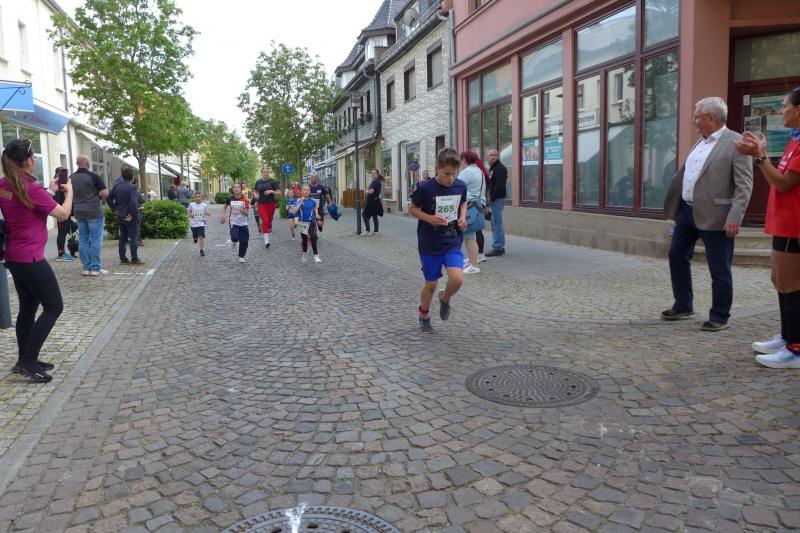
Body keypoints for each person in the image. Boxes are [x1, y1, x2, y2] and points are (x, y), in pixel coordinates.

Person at [662, 96, 753, 331]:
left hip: (717, 217)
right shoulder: (700, 142)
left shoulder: (737, 142)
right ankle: (683, 304)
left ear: (710, 118)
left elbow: (744, 185)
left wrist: (735, 217)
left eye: (696, 117)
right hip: (687, 212)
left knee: (719, 268)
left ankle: (719, 315)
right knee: (676, 255)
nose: (693, 121)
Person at [735, 87, 800, 368]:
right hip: (784, 223)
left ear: (799, 110)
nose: (781, 111)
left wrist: (760, 157)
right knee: (779, 280)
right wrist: (760, 153)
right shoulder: (795, 139)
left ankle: (795, 349)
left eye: (785, 106)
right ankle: (787, 338)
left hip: (794, 225)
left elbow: (783, 183)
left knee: (790, 284)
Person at [0, 139, 73, 382]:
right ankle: (29, 362)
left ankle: (24, 359)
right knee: (54, 306)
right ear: (29, 162)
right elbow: (63, 214)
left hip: (13, 255)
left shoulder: (4, 185)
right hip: (30, 257)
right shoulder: (30, 188)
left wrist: (48, 192)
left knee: (28, 308)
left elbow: (25, 204)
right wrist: (69, 193)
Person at [409, 148, 467, 334]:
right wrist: (429, 218)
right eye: (446, 174)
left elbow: (463, 202)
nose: (451, 178)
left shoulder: (460, 186)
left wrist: (462, 218)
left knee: (457, 279)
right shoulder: (426, 188)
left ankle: (445, 298)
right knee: (431, 285)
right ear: (437, 169)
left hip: (452, 240)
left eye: (454, 173)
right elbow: (412, 208)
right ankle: (424, 314)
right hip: (430, 243)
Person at [71, 155, 109, 276]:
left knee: (83, 239)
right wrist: (99, 197)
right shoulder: (94, 176)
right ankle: (95, 268)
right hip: (93, 212)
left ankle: (86, 268)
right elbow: (105, 193)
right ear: (88, 163)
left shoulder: (71, 177)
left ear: (77, 164)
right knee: (95, 240)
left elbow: (68, 194)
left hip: (79, 212)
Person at [458, 151, 488, 274]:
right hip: (477, 204)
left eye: (461, 160)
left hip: (470, 205)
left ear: (464, 160)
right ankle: (472, 261)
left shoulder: (468, 172)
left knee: (468, 236)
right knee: (470, 236)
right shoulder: (479, 170)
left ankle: (473, 265)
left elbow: (456, 186)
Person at [107, 168, 144, 266]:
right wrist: (133, 214)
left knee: (122, 237)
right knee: (134, 237)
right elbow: (133, 203)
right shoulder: (133, 187)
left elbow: (108, 198)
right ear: (132, 177)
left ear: (122, 176)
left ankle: (123, 259)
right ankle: (134, 259)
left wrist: (114, 209)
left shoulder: (117, 186)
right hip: (131, 216)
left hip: (121, 215)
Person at [48, 168, 76, 262]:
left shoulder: (64, 184)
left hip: (66, 212)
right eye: (64, 174)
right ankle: (61, 254)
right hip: (61, 212)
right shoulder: (56, 185)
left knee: (68, 230)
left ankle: (64, 252)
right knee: (61, 233)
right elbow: (56, 200)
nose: (66, 176)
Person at [292, 184, 322, 263]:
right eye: (304, 190)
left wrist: (316, 214)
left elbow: (315, 207)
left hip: (311, 222)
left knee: (313, 238)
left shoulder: (312, 200)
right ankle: (305, 254)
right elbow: (294, 211)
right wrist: (300, 203)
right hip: (303, 224)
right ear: (301, 191)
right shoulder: (298, 200)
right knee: (304, 240)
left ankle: (316, 256)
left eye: (308, 190)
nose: (306, 191)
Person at [486, 148, 508, 257]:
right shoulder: (493, 168)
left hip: (497, 199)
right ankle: (500, 246)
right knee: (496, 222)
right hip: (495, 199)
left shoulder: (500, 168)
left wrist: (492, 198)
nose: (493, 157)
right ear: (488, 157)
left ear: (498, 156)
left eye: (495, 155)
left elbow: (499, 186)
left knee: (496, 223)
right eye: (491, 155)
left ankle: (497, 247)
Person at [221, 183, 250, 263]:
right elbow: (224, 207)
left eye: (238, 187)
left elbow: (246, 213)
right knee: (234, 237)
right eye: (234, 187)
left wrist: (240, 209)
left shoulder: (245, 200)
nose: (236, 188)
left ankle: (241, 256)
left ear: (241, 189)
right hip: (234, 222)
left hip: (243, 223)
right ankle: (233, 241)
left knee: (244, 241)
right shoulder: (230, 199)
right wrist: (223, 216)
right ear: (232, 190)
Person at [253, 166, 280, 248]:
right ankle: (266, 241)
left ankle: (269, 228)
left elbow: (279, 192)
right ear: (262, 173)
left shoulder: (273, 182)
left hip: (271, 204)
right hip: (261, 204)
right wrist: (255, 195)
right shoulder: (258, 182)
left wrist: (271, 191)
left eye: (267, 172)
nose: (265, 173)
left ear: (269, 173)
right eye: (264, 172)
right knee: (265, 220)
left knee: (269, 221)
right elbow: (255, 191)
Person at [362, 169, 385, 236]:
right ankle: (376, 232)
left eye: (374, 173)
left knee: (364, 215)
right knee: (374, 216)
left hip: (371, 202)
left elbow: (371, 192)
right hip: (376, 201)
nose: (372, 174)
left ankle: (367, 230)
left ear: (377, 174)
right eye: (372, 173)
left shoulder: (375, 182)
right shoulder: (378, 182)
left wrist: (366, 191)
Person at [187, 190, 209, 256]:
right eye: (196, 197)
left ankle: (201, 250)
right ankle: (195, 237)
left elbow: (206, 212)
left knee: (201, 236)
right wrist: (190, 215)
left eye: (199, 197)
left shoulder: (205, 205)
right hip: (193, 223)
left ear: (202, 197)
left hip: (201, 223)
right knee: (195, 236)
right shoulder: (191, 204)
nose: (198, 198)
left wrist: (208, 213)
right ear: (194, 198)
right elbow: (188, 211)